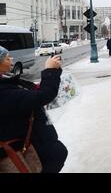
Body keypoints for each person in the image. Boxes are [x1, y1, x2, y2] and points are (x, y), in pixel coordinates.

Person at [0, 45, 68, 173]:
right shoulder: (3, 91)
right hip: (25, 149)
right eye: (6, 57)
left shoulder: (5, 80)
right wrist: (50, 70)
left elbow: (25, 95)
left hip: (28, 143)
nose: (11, 59)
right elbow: (43, 95)